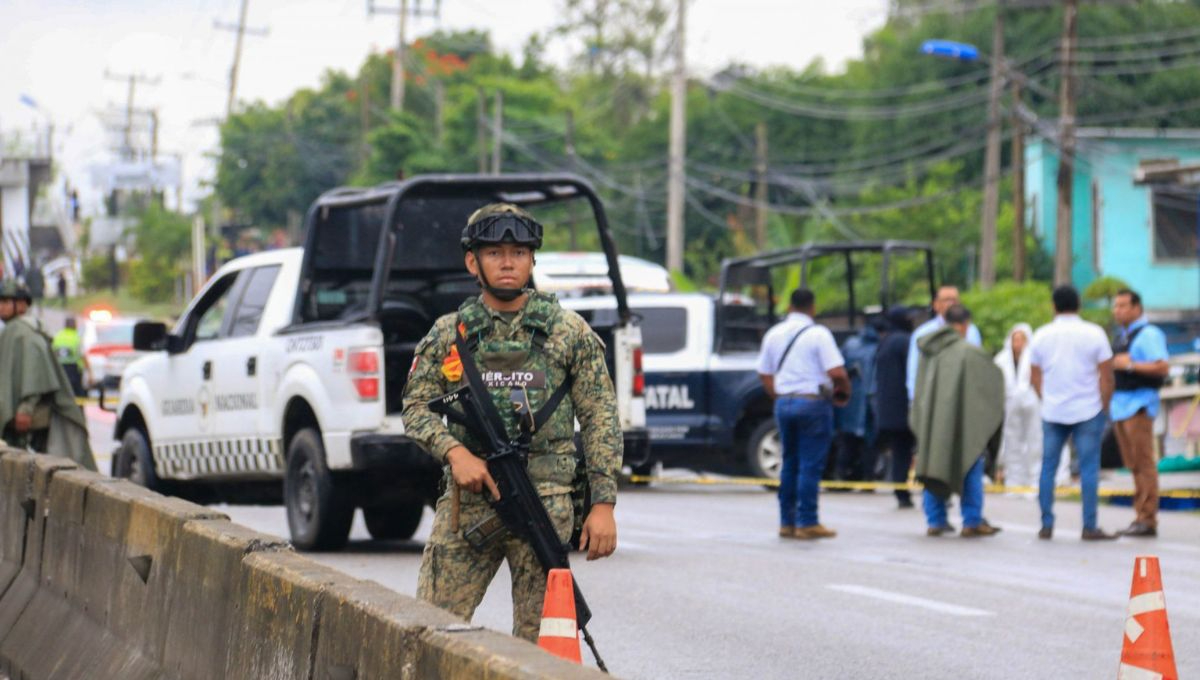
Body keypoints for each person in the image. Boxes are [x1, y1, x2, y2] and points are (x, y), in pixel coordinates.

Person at [401, 203, 620, 642]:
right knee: (429, 630)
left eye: (518, 252)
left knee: (541, 642)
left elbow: (600, 419)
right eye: (495, 252)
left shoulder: (568, 331)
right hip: (470, 504)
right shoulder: (451, 333)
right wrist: (455, 453)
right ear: (472, 262)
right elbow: (415, 406)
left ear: (532, 260)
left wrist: (603, 504)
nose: (507, 262)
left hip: (546, 503)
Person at [756, 288, 851, 540]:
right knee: (810, 464)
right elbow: (837, 372)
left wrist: (779, 395)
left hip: (784, 403)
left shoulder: (773, 334)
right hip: (812, 403)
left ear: (789, 307)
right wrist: (845, 392)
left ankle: (787, 522)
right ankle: (807, 521)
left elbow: (764, 373)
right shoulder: (818, 334)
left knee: (790, 462)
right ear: (813, 307)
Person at [1029, 285, 1117, 541]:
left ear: (1053, 306)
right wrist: (1104, 405)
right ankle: (1089, 526)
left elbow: (1034, 376)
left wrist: (1046, 399)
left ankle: (1046, 524)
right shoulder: (1094, 333)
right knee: (1089, 469)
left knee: (1048, 468)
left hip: (1053, 410)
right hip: (1088, 409)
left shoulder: (1042, 335)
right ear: (1078, 304)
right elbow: (1107, 375)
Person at [910, 305, 1004, 538]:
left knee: (934, 464)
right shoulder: (970, 353)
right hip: (964, 423)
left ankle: (935, 520)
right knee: (970, 463)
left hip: (934, 424)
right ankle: (972, 521)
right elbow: (992, 384)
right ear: (965, 324)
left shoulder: (928, 351)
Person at [0, 281, 96, 470]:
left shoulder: (22, 331)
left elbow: (35, 372)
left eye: (5, 301)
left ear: (21, 304)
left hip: (32, 416)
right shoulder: (16, 329)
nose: (1, 306)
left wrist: (25, 409)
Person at [1110, 289, 1169, 538]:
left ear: (1137, 308)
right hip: (1120, 406)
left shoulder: (1148, 334)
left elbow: (1162, 365)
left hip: (1139, 405)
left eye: (1123, 306)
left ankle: (1147, 518)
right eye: (1116, 306)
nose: (1118, 311)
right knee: (1133, 464)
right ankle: (1140, 515)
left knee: (1144, 463)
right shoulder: (1123, 336)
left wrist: (1131, 365)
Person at [906, 285, 982, 401]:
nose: (951, 303)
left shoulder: (971, 331)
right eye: (947, 300)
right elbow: (914, 371)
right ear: (936, 305)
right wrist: (915, 400)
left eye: (955, 300)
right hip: (932, 397)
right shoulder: (922, 333)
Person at [874, 305, 916, 508]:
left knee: (900, 451)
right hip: (903, 408)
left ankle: (901, 490)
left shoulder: (886, 341)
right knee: (904, 451)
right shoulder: (904, 341)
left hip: (887, 408)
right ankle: (903, 492)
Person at [995, 323, 1042, 492]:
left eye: (1022, 339)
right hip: (1009, 404)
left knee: (1034, 441)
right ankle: (1014, 481)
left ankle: (1035, 480)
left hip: (1032, 402)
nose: (1018, 343)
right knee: (1011, 442)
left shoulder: (1034, 357)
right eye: (1016, 339)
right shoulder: (1001, 359)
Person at [833, 318, 881, 483]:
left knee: (847, 440)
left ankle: (841, 475)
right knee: (870, 442)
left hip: (850, 401)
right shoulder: (879, 346)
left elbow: (839, 369)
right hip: (869, 401)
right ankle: (868, 477)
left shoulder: (851, 343)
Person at [52, 317, 89, 397]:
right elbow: (82, 355)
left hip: (59, 368)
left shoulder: (58, 336)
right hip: (74, 369)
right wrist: (89, 372)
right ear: (75, 325)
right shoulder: (76, 337)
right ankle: (78, 408)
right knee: (77, 393)